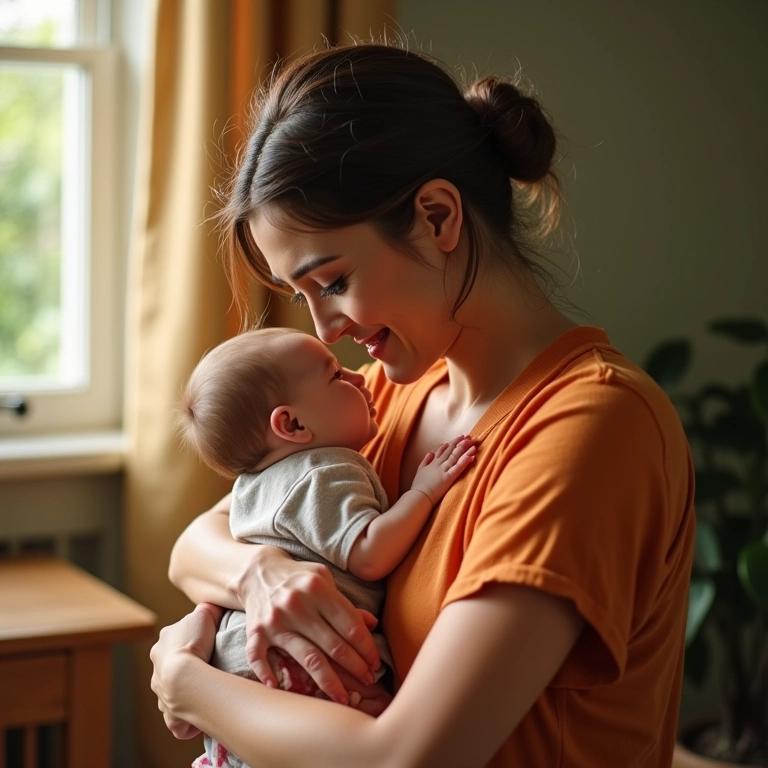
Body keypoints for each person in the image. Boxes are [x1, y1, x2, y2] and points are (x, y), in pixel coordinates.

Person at [150, 40, 695, 768]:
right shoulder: (383, 396)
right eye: (300, 297)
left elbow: (406, 759)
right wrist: (259, 574)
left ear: (438, 217)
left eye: (333, 281)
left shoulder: (589, 429)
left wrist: (187, 684)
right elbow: (197, 543)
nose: (325, 329)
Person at [175, 325, 476, 767]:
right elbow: (370, 554)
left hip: (237, 673)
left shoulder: (250, 486)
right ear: (292, 424)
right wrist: (424, 493)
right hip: (307, 669)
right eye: (337, 375)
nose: (359, 378)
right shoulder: (328, 470)